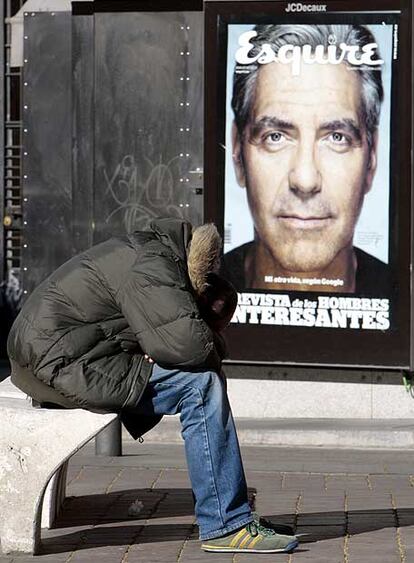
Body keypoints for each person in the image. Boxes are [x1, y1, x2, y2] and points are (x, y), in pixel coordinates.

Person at [7, 217, 298, 554]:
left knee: (199, 379)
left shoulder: (155, 251)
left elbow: (158, 335)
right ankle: (225, 522)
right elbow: (189, 345)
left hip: (51, 354)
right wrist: (208, 343)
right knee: (202, 386)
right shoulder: (156, 267)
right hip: (57, 362)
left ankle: (230, 516)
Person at [223, 24, 390, 295]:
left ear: (371, 159)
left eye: (337, 137)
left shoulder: (406, 300)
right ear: (238, 154)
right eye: (275, 136)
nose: (305, 179)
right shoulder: (199, 297)